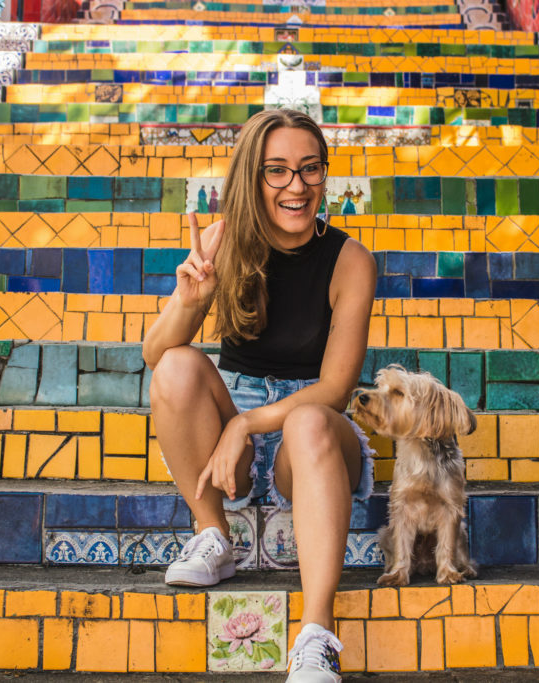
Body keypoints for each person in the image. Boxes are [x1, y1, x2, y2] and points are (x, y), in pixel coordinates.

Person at [143, 108, 377, 683]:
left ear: (325, 174)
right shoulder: (228, 246)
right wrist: (193, 296)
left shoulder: (351, 261)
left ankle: (316, 638)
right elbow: (153, 355)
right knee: (176, 368)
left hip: (313, 438)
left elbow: (336, 388)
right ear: (252, 177)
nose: (296, 187)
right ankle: (212, 534)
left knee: (311, 422)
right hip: (233, 426)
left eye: (309, 169)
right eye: (276, 171)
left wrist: (247, 423)